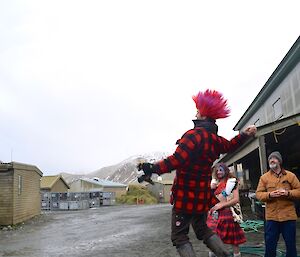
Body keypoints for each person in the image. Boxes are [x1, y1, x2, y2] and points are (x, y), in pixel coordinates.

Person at [138, 89, 257, 257]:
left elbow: (175, 160)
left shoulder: (193, 136)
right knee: (203, 230)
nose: (196, 112)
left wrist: (152, 168)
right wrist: (244, 134)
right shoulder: (215, 140)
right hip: (201, 196)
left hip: (185, 196)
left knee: (179, 236)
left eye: (198, 110)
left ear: (203, 114)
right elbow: (230, 145)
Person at [256, 151, 300, 257]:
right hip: (272, 218)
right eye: (270, 159)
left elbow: (299, 190)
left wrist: (288, 193)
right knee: (270, 247)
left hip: (288, 217)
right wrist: (270, 195)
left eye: (274, 158)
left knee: (291, 246)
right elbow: (258, 194)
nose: (272, 160)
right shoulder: (264, 178)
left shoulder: (290, 176)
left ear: (279, 161)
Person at [207, 163, 246, 257]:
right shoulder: (214, 184)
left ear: (225, 170)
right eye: (217, 171)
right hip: (214, 214)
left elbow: (236, 199)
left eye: (221, 170)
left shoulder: (232, 182)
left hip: (228, 214)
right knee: (212, 238)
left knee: (234, 239)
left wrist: (222, 205)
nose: (219, 172)